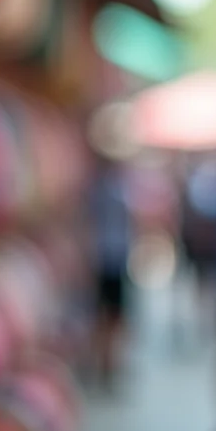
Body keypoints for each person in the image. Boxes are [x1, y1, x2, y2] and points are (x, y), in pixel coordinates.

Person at [92, 161, 131, 391]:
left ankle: (107, 365)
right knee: (113, 318)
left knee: (108, 318)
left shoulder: (101, 191)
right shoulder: (114, 191)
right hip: (112, 260)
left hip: (107, 259)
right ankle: (108, 365)